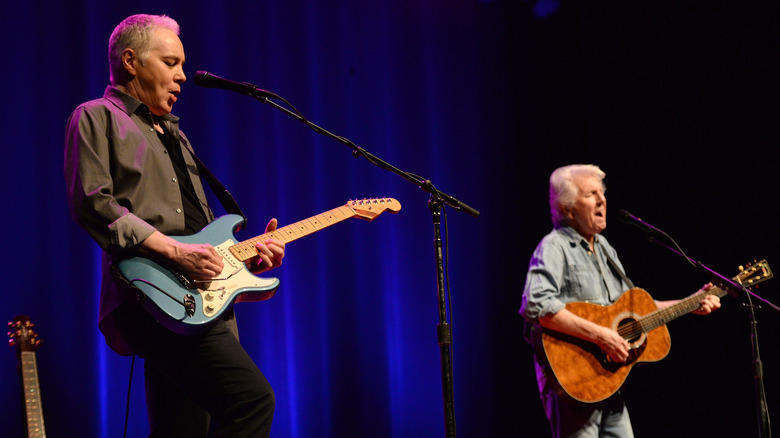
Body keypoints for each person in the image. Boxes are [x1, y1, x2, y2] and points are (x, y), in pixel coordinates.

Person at [64, 14, 284, 437]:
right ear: (130, 61)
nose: (182, 75)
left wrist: (244, 260)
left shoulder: (176, 136)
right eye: (170, 63)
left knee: (181, 429)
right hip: (151, 295)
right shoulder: (95, 117)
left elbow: (197, 230)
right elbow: (92, 203)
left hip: (196, 300)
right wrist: (174, 251)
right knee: (251, 401)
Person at [519, 164, 720, 438]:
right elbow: (536, 305)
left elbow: (635, 310)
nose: (602, 199)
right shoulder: (554, 247)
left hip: (608, 380)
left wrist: (689, 302)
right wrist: (602, 336)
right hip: (572, 381)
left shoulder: (603, 247)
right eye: (591, 194)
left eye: (602, 192)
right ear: (568, 209)